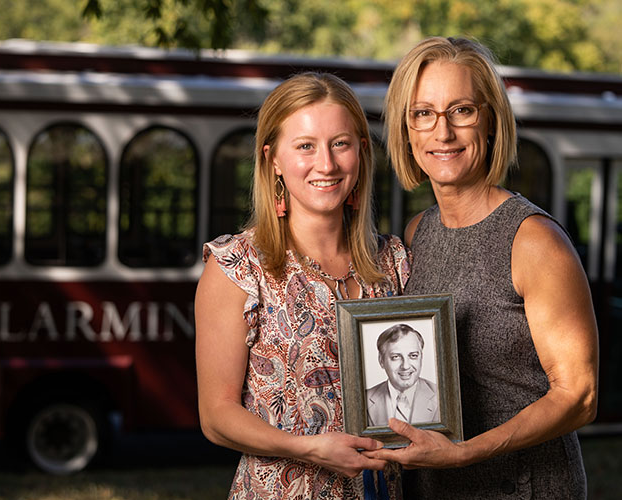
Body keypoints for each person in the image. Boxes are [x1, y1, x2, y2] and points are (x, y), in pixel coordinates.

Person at [365, 36, 599, 499]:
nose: (443, 132)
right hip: (436, 488)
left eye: (462, 111)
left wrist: (464, 453)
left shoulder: (533, 240)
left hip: (526, 487)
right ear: (407, 130)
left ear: (489, 121)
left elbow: (579, 396)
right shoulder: (418, 233)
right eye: (423, 114)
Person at [195, 72, 411, 499]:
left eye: (341, 144)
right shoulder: (238, 267)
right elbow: (216, 416)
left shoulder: (395, 262)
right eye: (305, 146)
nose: (326, 164)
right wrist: (309, 449)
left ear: (362, 153)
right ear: (273, 158)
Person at [366, 324, 438, 427]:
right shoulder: (363, 400)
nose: (405, 366)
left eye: (413, 356)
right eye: (396, 357)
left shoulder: (442, 396)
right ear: (381, 361)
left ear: (421, 357)